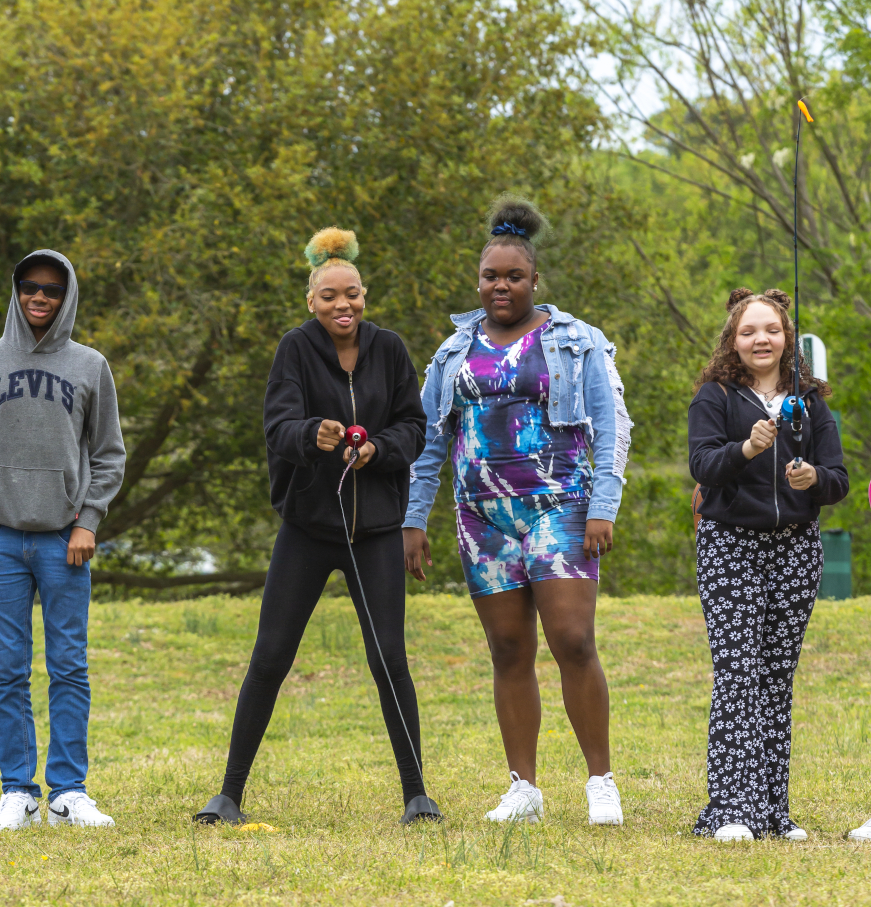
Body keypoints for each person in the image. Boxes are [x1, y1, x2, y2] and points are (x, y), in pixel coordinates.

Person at [194, 227, 440, 826]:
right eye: (330, 296)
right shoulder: (294, 351)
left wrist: (377, 449)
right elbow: (278, 428)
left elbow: (414, 427)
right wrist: (314, 435)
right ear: (312, 302)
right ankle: (228, 795)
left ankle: (417, 797)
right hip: (308, 528)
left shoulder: (390, 349)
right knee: (271, 655)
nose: (343, 306)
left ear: (365, 295)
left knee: (389, 659)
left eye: (352, 294)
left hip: (377, 530)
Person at [403, 197, 630, 828]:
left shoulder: (575, 341)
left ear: (534, 281)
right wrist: (414, 519)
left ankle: (600, 782)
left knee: (573, 640)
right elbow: (429, 441)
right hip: (482, 517)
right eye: (490, 277)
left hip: (560, 505)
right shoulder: (453, 352)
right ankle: (522, 788)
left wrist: (602, 507)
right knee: (508, 648)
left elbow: (611, 426)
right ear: (478, 282)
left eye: (514, 277)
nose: (501, 286)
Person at [0, 250, 126, 832]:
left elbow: (109, 455)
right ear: (17, 290)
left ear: (67, 294)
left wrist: (88, 521)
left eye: (52, 289)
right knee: (8, 671)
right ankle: (17, 791)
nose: (40, 298)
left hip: (63, 544)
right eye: (30, 287)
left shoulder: (89, 366)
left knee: (69, 666)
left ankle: (68, 791)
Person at [688, 287, 847, 841]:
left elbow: (838, 480)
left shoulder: (811, 401)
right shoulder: (715, 397)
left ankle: (773, 813)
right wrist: (749, 449)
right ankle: (731, 810)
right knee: (738, 674)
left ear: (787, 339)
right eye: (750, 331)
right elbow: (704, 464)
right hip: (731, 545)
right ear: (733, 340)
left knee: (777, 678)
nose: (762, 339)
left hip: (796, 549)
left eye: (772, 330)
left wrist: (814, 481)